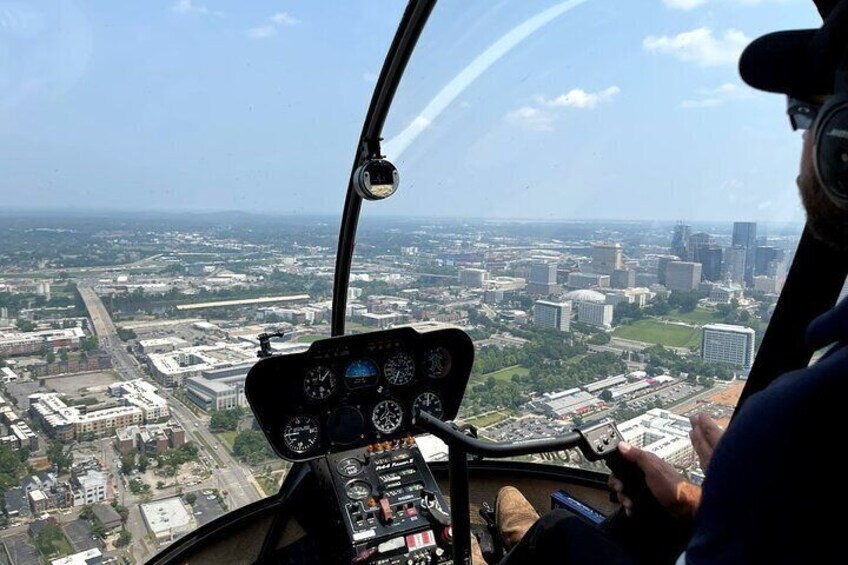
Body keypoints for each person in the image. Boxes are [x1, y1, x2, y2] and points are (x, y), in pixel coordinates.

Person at [474, 0, 848, 563]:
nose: (802, 139)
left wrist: (754, 468)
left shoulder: (802, 421)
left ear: (840, 151)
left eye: (806, 113)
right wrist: (698, 503)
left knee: (560, 536)